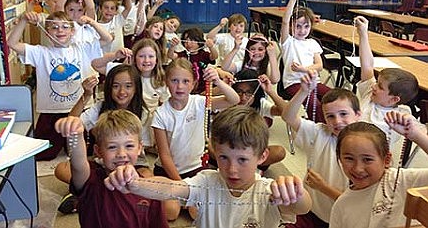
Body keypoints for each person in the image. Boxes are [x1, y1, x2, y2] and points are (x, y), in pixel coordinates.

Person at [105, 105, 312, 228]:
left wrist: (294, 193)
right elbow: (169, 188)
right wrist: (135, 183)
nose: (231, 169)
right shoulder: (207, 181)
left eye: (242, 160)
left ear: (262, 157)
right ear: (214, 151)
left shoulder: (267, 191)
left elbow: (303, 207)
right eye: (223, 158)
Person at [7, 11, 109, 161]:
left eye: (65, 27)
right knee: (42, 153)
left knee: (85, 152)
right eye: (54, 27)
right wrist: (23, 20)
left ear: (72, 31)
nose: (60, 30)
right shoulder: (41, 52)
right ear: (47, 33)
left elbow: (107, 38)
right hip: (51, 111)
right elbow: (12, 43)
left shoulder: (81, 48)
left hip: (80, 109)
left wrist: (92, 22)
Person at [152, 58, 239, 220]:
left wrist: (218, 81)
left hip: (196, 169)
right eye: (174, 81)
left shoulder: (199, 102)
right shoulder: (161, 114)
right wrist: (182, 185)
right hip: (170, 171)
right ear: (166, 82)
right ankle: (181, 198)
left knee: (199, 212)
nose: (180, 86)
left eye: (185, 81)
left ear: (193, 84)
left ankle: (187, 200)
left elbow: (234, 100)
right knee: (171, 212)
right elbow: (164, 155)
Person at [54, 110, 169, 228]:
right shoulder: (91, 181)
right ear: (98, 151)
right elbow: (78, 165)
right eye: (112, 147)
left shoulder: (150, 190)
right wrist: (75, 135)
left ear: (140, 148)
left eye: (129, 146)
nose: (121, 154)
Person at [281, 70, 362, 228]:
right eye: (330, 116)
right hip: (308, 210)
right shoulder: (320, 132)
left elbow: (357, 203)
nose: (337, 121)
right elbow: (288, 116)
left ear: (358, 114)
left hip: (339, 219)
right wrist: (304, 91)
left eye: (343, 114)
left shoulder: (364, 148)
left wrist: (323, 187)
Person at [330, 113, 428, 228]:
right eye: (349, 159)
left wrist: (416, 136)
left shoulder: (403, 181)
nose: (358, 168)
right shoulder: (341, 206)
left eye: (367, 159)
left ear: (386, 160)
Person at [355, 15, 419, 155]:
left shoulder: (401, 116)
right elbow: (367, 66)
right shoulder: (369, 95)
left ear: (394, 99)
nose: (374, 86)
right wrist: (363, 33)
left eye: (380, 87)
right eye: (377, 82)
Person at [280, 0, 331, 123]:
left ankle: (332, 122)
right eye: (298, 26)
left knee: (333, 97)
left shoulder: (312, 43)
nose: (302, 30)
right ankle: (321, 128)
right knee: (314, 103)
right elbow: (284, 21)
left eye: (306, 26)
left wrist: (303, 69)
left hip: (314, 81)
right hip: (294, 83)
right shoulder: (288, 42)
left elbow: (319, 66)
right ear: (291, 26)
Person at [230, 69, 287, 171]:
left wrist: (270, 91)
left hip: (251, 152)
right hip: (230, 151)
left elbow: (286, 112)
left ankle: (248, 167)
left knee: (279, 152)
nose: (243, 97)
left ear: (255, 94)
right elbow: (203, 100)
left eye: (248, 93)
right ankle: (248, 168)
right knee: (211, 147)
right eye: (239, 92)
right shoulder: (227, 101)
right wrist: (223, 86)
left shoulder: (260, 104)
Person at [167, 27, 218, 94]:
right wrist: (172, 46)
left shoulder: (203, 54)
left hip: (202, 88)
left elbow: (214, 56)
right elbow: (170, 55)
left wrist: (211, 47)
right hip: (186, 88)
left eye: (192, 40)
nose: (188, 43)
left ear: (199, 41)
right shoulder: (182, 54)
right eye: (186, 40)